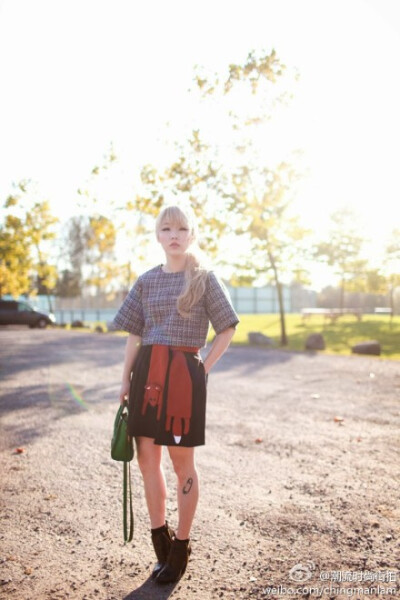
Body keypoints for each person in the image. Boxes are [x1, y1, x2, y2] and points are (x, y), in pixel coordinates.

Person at [113, 204, 239, 585]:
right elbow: (135, 333)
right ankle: (160, 541)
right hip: (146, 375)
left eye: (181, 228)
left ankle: (181, 546)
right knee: (147, 461)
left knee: (182, 464)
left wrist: (203, 366)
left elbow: (227, 327)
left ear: (191, 235)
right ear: (157, 235)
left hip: (184, 377)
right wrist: (124, 380)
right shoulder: (146, 281)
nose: (174, 235)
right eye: (167, 228)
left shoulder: (204, 279)